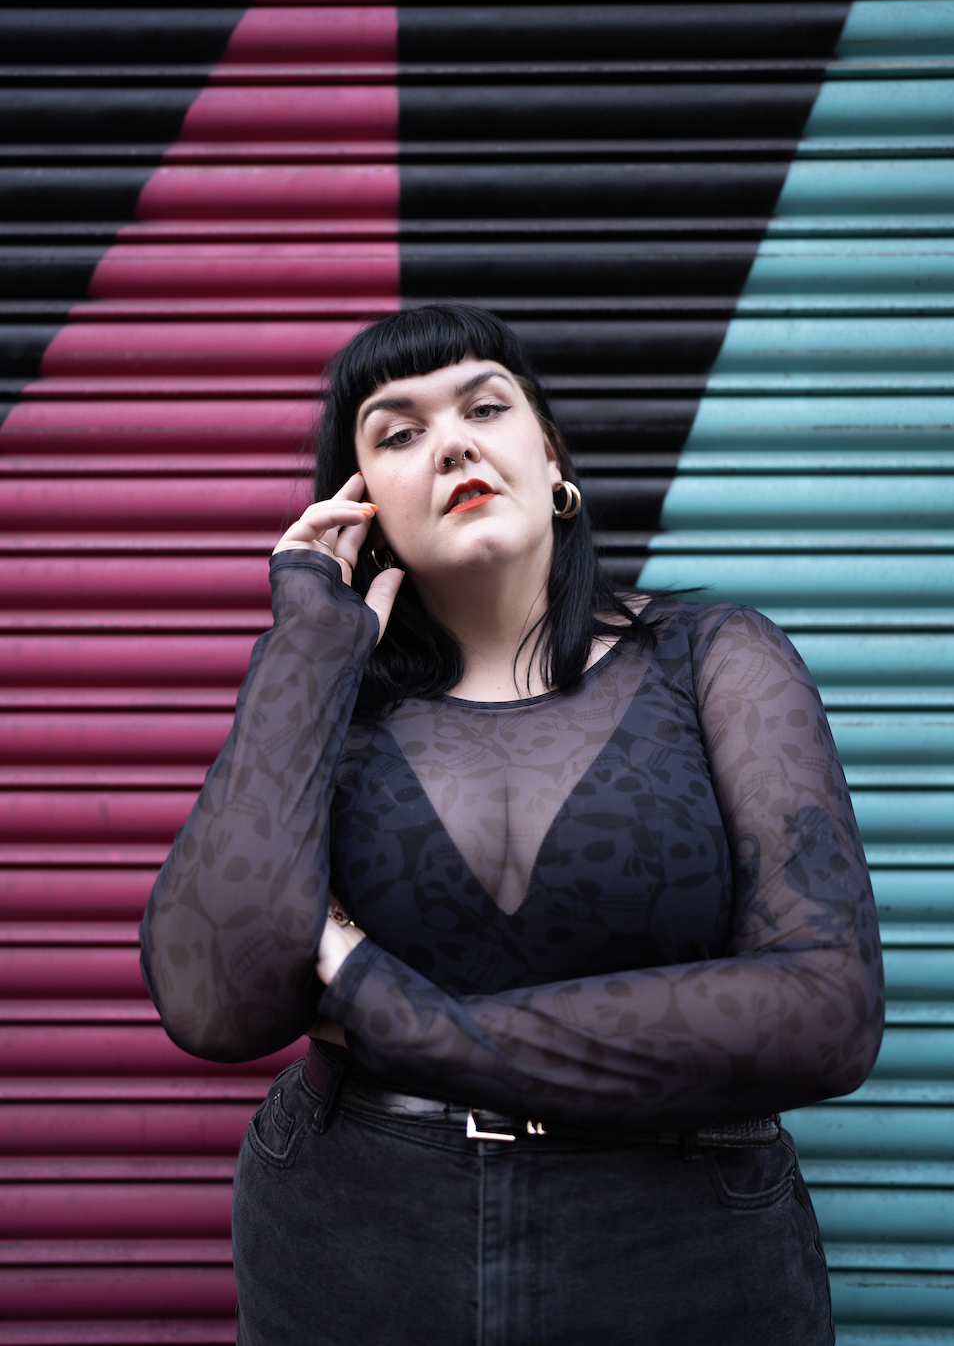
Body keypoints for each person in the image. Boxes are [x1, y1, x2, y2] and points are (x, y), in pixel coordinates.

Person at [140, 304, 884, 1346]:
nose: (451, 444)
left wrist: (391, 1005)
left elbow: (825, 1010)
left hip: (681, 1240)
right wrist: (308, 638)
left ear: (552, 456)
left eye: (485, 408)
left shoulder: (716, 657)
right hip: (355, 1234)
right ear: (362, 506)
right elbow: (215, 1005)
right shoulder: (327, 699)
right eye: (399, 432)